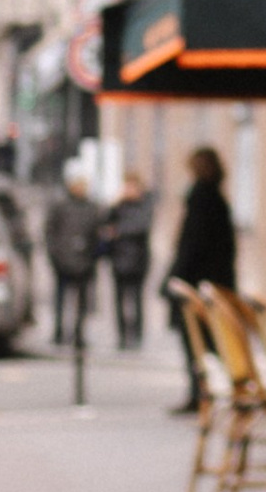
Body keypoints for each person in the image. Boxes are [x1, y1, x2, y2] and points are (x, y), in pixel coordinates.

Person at [162, 146, 237, 409]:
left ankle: (202, 392)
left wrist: (174, 277)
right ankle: (226, 387)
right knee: (213, 341)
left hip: (197, 284)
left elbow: (191, 244)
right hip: (214, 283)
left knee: (197, 341)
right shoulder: (217, 199)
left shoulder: (202, 198)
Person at [42, 166, 103, 349]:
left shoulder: (92, 208)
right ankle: (59, 331)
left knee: (82, 301)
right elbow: (50, 232)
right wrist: (55, 254)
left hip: (85, 261)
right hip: (63, 260)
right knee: (61, 299)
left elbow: (98, 234)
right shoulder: (61, 206)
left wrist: (93, 256)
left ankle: (79, 333)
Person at [103, 172, 154, 349]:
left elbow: (141, 227)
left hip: (138, 260)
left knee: (137, 299)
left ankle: (137, 335)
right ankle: (122, 335)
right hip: (119, 258)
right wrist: (114, 204)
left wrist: (119, 232)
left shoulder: (145, 205)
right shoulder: (119, 206)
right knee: (119, 299)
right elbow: (105, 224)